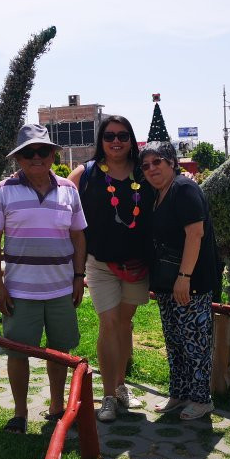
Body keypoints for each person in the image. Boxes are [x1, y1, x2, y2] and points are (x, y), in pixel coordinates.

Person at [0, 123, 87, 434]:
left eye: (43, 151)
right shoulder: (3, 191)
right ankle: (20, 413)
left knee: (59, 351)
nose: (36, 157)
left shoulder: (69, 190)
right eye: (29, 152)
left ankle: (56, 407)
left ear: (53, 154)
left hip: (60, 289)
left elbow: (79, 237)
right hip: (20, 291)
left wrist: (79, 276)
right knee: (19, 352)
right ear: (19, 158)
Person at [68, 116, 154, 422]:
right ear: (100, 141)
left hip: (136, 264)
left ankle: (120, 386)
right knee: (108, 322)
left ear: (131, 139)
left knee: (124, 324)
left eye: (122, 135)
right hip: (100, 262)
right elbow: (61, 201)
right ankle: (106, 396)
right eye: (109, 136)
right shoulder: (86, 172)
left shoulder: (144, 172)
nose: (115, 141)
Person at [140, 140, 219, 421]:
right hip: (167, 283)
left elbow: (195, 234)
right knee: (175, 341)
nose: (151, 169)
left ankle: (201, 399)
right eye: (146, 165)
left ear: (172, 162)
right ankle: (180, 393)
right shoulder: (159, 193)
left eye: (157, 162)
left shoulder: (184, 189)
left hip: (191, 282)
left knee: (195, 342)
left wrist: (184, 277)